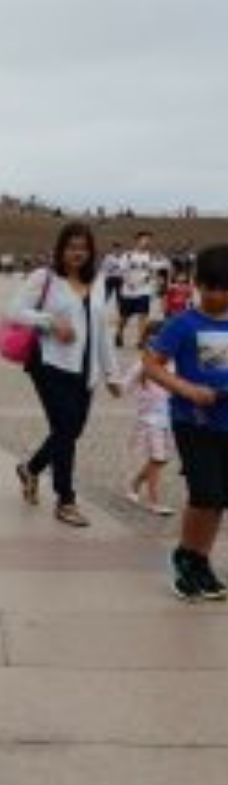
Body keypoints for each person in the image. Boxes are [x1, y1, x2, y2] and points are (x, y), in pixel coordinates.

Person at [11, 222, 123, 527]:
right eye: (72, 247)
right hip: (49, 365)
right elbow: (14, 311)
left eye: (84, 248)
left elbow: (102, 331)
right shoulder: (44, 277)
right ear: (61, 249)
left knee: (71, 431)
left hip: (85, 369)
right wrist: (50, 322)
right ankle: (66, 499)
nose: (78, 253)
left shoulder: (98, 281)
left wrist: (112, 373)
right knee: (65, 429)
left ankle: (31, 468)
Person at [143, 244, 228, 601]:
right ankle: (184, 556)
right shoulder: (183, 324)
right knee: (204, 494)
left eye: (222, 287)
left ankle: (201, 560)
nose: (214, 294)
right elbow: (152, 365)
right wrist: (187, 389)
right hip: (194, 423)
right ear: (196, 284)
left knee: (220, 499)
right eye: (208, 286)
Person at [123, 321, 174, 516]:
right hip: (150, 420)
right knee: (158, 457)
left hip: (169, 419)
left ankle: (134, 484)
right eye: (152, 343)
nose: (156, 347)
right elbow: (122, 386)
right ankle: (154, 501)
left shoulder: (174, 364)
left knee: (161, 460)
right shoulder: (140, 365)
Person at [116, 231, 155, 348]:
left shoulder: (150, 257)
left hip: (143, 290)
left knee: (143, 315)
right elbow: (121, 271)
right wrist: (129, 282)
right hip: (128, 291)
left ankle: (141, 340)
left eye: (149, 240)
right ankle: (119, 333)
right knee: (124, 317)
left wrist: (148, 279)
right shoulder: (127, 255)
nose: (146, 242)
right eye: (144, 239)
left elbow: (151, 272)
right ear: (137, 241)